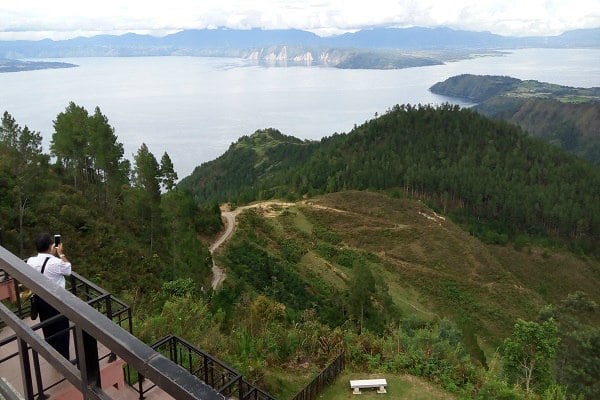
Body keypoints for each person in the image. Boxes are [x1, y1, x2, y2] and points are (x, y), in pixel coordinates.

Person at [27, 233, 72, 360]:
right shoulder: (56, 262)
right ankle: (64, 361)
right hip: (56, 301)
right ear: (50, 247)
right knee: (61, 331)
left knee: (48, 328)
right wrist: (61, 254)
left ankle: (52, 355)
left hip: (40, 299)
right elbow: (68, 269)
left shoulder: (31, 261)